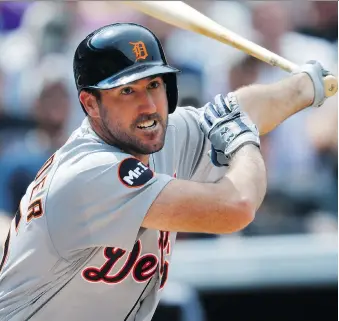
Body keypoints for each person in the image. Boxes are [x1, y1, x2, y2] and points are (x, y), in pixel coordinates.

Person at [0, 23, 333, 321]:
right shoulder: (88, 173)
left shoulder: (156, 135)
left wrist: (306, 87)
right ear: (89, 103)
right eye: (127, 91)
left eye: (154, 84)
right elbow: (237, 206)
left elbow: (241, 109)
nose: (147, 104)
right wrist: (243, 140)